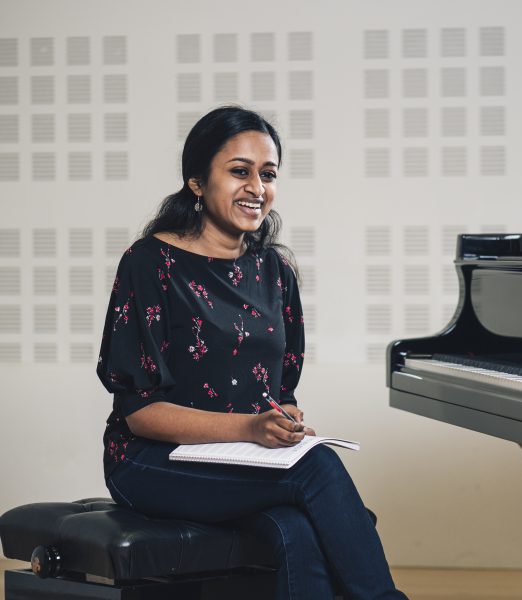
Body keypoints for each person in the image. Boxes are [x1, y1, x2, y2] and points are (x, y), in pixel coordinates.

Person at [97, 105, 408, 600]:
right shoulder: (150, 263)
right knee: (316, 467)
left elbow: (278, 390)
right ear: (197, 181)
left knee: (297, 528)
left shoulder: (275, 271)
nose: (256, 188)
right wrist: (250, 428)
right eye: (239, 171)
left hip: (242, 460)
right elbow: (141, 414)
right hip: (151, 462)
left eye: (268, 174)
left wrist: (282, 417)